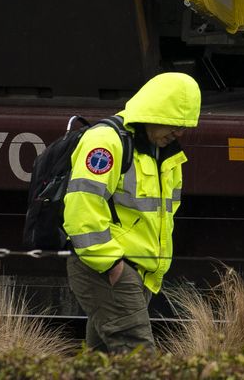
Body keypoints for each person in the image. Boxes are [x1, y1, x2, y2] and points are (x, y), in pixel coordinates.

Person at [62, 71, 202, 352]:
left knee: (102, 361)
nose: (179, 133)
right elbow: (82, 208)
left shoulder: (166, 153)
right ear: (153, 112)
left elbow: (164, 216)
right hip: (108, 268)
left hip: (136, 273)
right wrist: (113, 265)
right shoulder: (106, 142)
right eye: (174, 124)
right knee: (138, 357)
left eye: (184, 126)